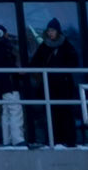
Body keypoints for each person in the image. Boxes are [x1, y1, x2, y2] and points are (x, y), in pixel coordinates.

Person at [27, 17, 80, 147]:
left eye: (53, 30)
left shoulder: (66, 46)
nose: (50, 33)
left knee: (66, 113)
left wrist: (61, 70)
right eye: (49, 30)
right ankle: (54, 140)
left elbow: (74, 62)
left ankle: (68, 140)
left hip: (64, 86)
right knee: (52, 114)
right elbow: (35, 62)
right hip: (49, 86)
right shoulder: (44, 46)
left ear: (58, 31)